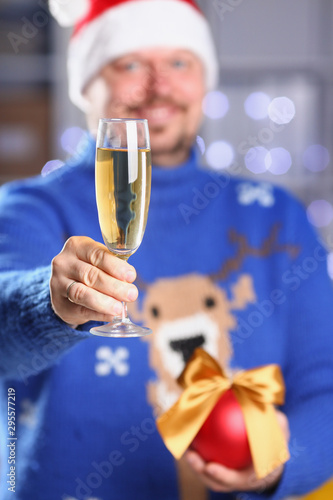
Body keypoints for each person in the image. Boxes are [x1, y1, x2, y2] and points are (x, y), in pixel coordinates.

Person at [1, 0, 333, 499]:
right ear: (87, 81)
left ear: (203, 81)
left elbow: (325, 384)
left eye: (180, 62)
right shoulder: (27, 208)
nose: (159, 85)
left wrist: (281, 462)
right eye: (130, 63)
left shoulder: (276, 217)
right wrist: (49, 303)